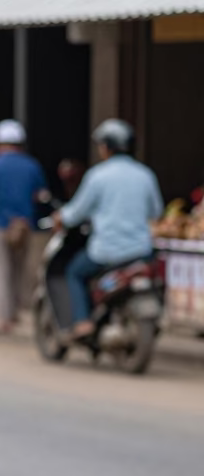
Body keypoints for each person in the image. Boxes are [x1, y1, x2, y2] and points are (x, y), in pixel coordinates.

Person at [54, 119, 164, 340]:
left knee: (74, 273)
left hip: (106, 251)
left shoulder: (98, 176)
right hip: (140, 251)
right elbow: (157, 212)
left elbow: (76, 212)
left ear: (106, 147)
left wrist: (59, 217)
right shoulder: (145, 175)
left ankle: (83, 322)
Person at [0, 120, 50, 333]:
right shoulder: (32, 165)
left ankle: (4, 318)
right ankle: (14, 312)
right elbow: (40, 195)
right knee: (18, 269)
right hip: (24, 226)